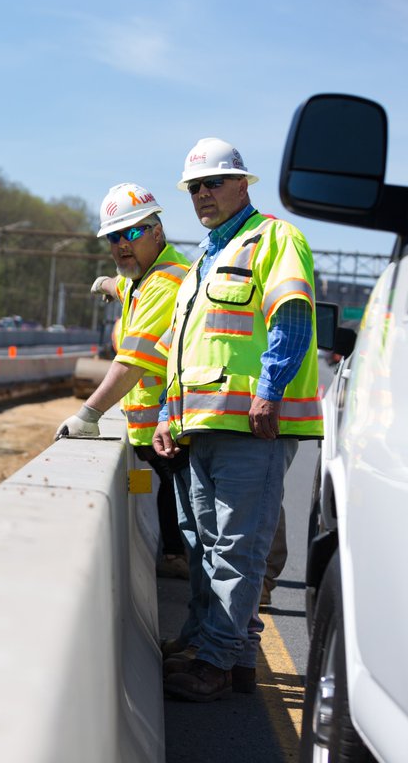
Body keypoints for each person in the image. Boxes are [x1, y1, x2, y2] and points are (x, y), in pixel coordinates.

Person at [153, 139, 322, 702]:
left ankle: (217, 662)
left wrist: (270, 393)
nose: (202, 194)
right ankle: (222, 649)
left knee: (237, 551)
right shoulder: (203, 257)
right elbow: (184, 350)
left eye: (213, 183)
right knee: (203, 547)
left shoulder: (274, 238)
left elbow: (292, 318)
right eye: (195, 187)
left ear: (242, 184)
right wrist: (164, 416)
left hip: (252, 427)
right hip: (197, 425)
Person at [54, 182, 194, 579]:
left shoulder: (166, 282)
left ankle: (184, 567)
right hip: (153, 435)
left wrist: (89, 413)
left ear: (157, 232)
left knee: (184, 514)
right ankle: (174, 556)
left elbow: (131, 362)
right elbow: (126, 285)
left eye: (132, 232)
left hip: (173, 432)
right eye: (114, 237)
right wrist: (105, 283)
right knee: (167, 500)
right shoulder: (140, 279)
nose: (122, 245)